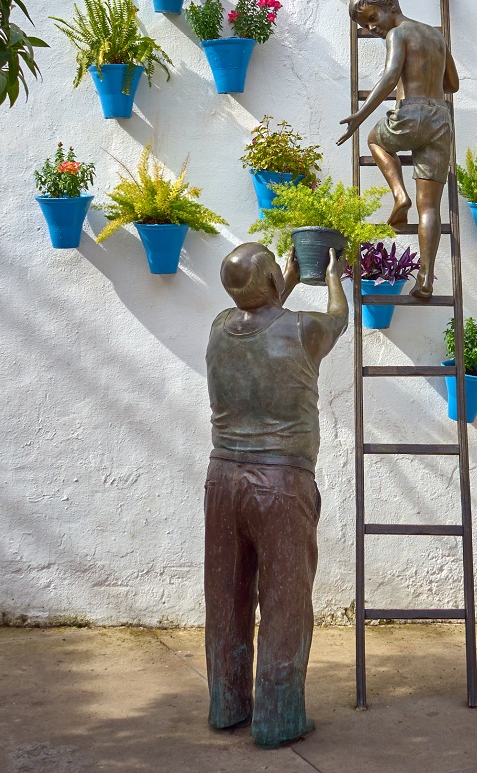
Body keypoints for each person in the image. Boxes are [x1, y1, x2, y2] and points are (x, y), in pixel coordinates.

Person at [204, 241, 348, 748]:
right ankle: (278, 717)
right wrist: (332, 274)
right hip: (281, 484)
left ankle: (227, 705)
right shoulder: (305, 329)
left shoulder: (220, 326)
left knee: (226, 596)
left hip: (222, 479)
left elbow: (260, 309)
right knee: (285, 603)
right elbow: (338, 319)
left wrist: (279, 276)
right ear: (269, 281)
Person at [337, 0, 459, 300]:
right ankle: (426, 277)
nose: (372, 27)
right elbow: (453, 84)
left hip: (412, 111)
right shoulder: (436, 36)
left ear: (390, 4)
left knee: (376, 138)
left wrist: (360, 116)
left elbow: (392, 77)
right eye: (365, 25)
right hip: (441, 119)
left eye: (372, 18)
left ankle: (399, 194)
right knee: (430, 207)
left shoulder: (397, 33)